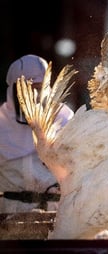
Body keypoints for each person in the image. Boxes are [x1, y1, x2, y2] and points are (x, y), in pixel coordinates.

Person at [0, 54, 74, 213]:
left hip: (55, 214)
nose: (34, 96)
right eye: (28, 89)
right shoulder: (1, 124)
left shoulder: (64, 119)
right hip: (9, 215)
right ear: (14, 90)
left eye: (40, 89)